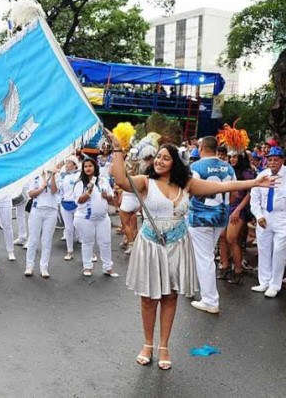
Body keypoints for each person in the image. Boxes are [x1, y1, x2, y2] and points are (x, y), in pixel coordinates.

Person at [107, 129, 274, 370]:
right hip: (150, 245)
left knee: (170, 296)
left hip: (176, 245)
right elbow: (121, 180)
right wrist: (116, 150)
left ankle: (164, 345)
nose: (159, 160)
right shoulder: (146, 182)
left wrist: (255, 182)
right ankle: (147, 343)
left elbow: (224, 187)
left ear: (175, 163)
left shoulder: (187, 185)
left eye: (166, 157)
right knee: (148, 297)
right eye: (158, 157)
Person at [187, 136, 236, 314]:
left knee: (204, 257)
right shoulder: (228, 166)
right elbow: (235, 191)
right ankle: (195, 288)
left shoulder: (196, 167)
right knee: (205, 255)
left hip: (201, 217)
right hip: (221, 216)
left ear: (201, 147)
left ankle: (209, 299)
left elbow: (190, 191)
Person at [250, 146, 286, 298]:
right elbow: (254, 199)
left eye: (276, 160)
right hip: (264, 217)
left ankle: (275, 284)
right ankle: (264, 281)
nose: (272, 163)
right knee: (264, 249)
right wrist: (259, 216)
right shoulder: (262, 176)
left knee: (279, 251)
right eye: (270, 160)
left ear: (282, 160)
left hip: (282, 218)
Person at [73, 156, 117, 277]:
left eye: (90, 166)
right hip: (85, 218)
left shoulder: (103, 180)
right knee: (87, 242)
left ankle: (108, 267)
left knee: (106, 242)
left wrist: (107, 196)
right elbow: (79, 201)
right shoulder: (79, 183)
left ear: (95, 167)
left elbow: (112, 199)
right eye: (85, 166)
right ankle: (87, 267)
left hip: (103, 218)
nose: (88, 168)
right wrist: (88, 192)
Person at [217, 151, 256, 285]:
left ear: (241, 157)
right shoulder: (227, 170)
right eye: (230, 156)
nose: (232, 159)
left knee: (231, 238)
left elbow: (250, 194)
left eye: (235, 156)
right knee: (222, 236)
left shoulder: (247, 172)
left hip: (238, 209)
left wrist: (238, 210)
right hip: (226, 206)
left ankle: (238, 270)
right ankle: (225, 266)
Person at [25, 168, 59, 278]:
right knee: (33, 239)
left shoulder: (55, 174)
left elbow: (54, 191)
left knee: (47, 240)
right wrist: (41, 187)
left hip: (51, 210)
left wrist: (53, 176)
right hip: (37, 210)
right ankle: (29, 266)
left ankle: (44, 267)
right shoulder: (33, 175)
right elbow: (31, 194)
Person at [58, 155, 81, 260]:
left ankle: (91, 253)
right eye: (66, 162)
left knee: (82, 227)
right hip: (64, 204)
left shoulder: (79, 175)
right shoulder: (62, 176)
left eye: (69, 163)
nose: (67, 165)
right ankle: (69, 251)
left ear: (75, 165)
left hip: (77, 205)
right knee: (68, 228)